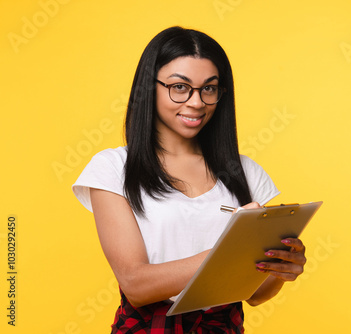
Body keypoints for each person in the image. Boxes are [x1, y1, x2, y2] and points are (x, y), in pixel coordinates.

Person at [72, 26, 307, 333]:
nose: (197, 102)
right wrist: (229, 251)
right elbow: (135, 285)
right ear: (149, 86)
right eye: (180, 87)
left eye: (209, 88)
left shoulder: (245, 172)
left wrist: (279, 269)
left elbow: (254, 295)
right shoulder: (114, 168)